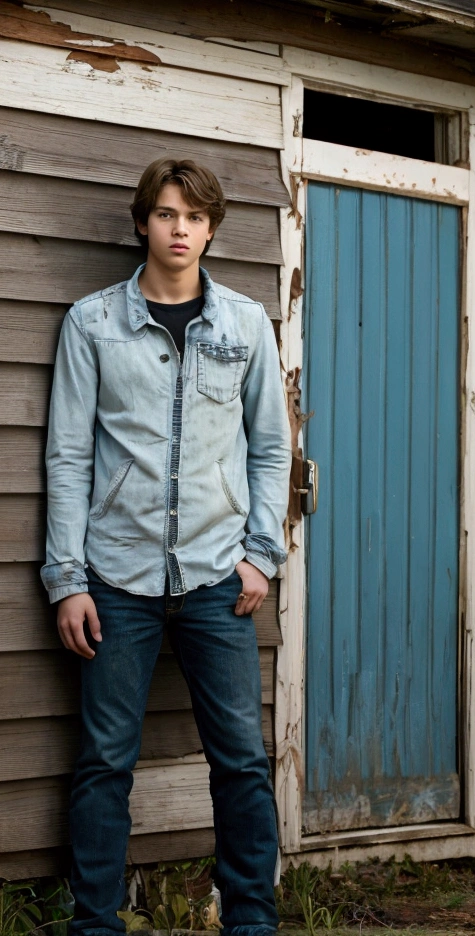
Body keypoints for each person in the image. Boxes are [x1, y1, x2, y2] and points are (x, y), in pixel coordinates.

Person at [41, 158, 292, 936]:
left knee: (243, 763)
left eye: (193, 216)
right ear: (142, 223)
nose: (179, 228)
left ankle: (251, 920)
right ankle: (96, 923)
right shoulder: (93, 323)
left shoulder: (246, 324)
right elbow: (68, 456)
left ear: (211, 228)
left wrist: (262, 554)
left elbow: (271, 449)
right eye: (165, 213)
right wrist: (67, 578)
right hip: (116, 577)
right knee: (104, 762)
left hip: (221, 579)